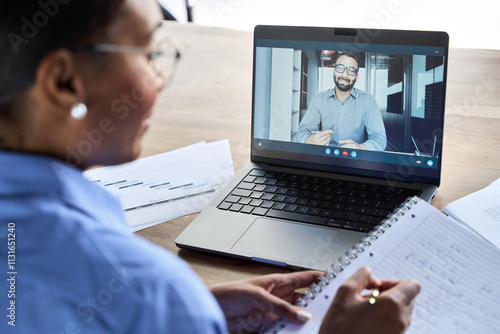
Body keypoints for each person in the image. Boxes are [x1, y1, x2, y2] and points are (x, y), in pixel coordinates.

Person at [0, 1, 420, 333]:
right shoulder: (155, 291)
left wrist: (197, 312)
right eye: (148, 51)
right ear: (64, 82)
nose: (160, 77)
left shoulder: (153, 298)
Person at [296, 52, 387, 151]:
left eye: (351, 70)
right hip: (325, 158)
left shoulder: (368, 100)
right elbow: (303, 131)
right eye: (340, 68)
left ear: (356, 77)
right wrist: (309, 140)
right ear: (334, 71)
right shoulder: (319, 99)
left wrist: (361, 147)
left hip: (355, 159)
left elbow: (379, 138)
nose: (344, 74)